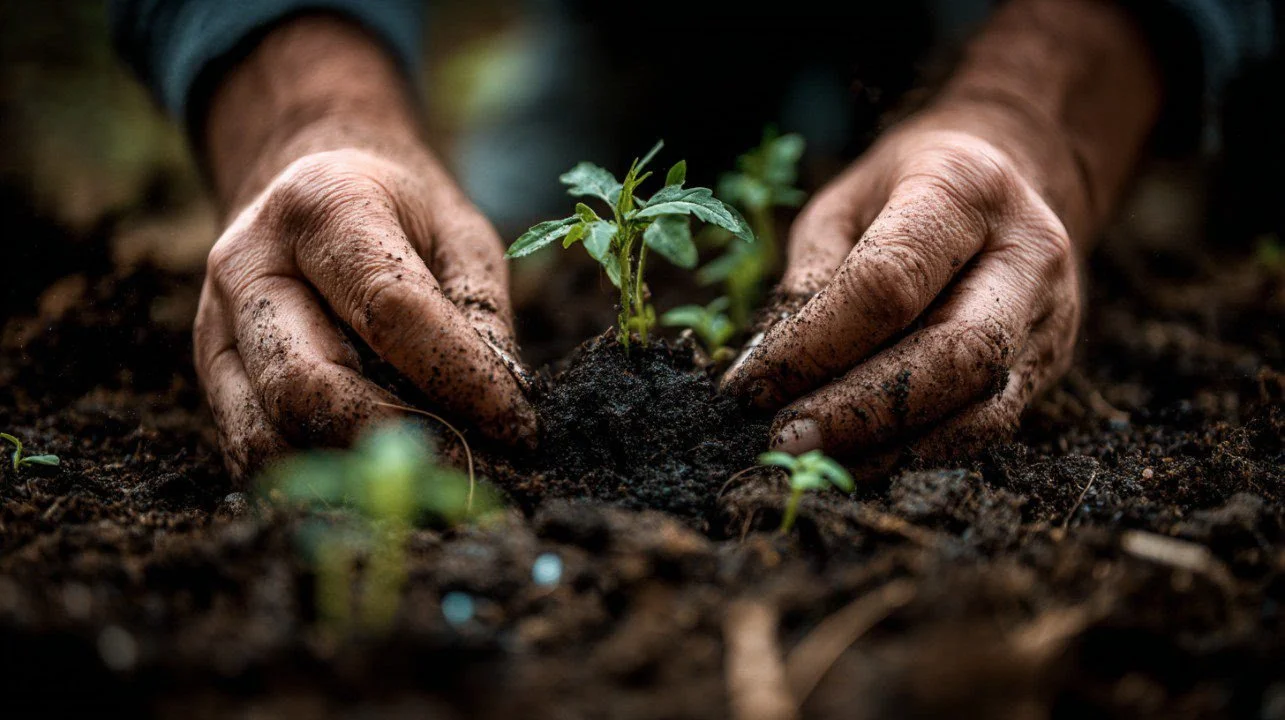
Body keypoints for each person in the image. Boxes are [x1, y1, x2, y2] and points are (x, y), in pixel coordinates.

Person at [110, 0, 1276, 479]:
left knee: (968, 248)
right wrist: (307, 112)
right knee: (432, 254)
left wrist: (1041, 118)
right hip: (635, 23)